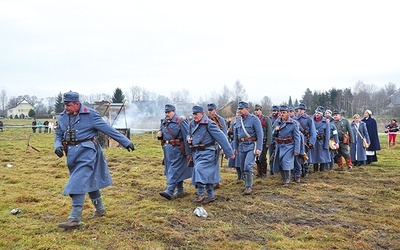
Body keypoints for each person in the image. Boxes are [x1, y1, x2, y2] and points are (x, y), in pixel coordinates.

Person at [54, 91, 135, 229]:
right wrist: (58, 146)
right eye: (65, 105)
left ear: (77, 104)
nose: (66, 108)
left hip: (88, 153)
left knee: (77, 182)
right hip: (72, 155)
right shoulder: (62, 117)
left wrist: (126, 141)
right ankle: (100, 210)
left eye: (68, 105)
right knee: (90, 180)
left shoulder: (90, 115)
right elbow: (58, 135)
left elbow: (108, 129)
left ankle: (74, 217)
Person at [188, 105, 234, 204]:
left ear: (202, 114)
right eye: (193, 114)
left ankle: (200, 194)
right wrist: (189, 139)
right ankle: (211, 196)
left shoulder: (209, 124)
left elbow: (221, 137)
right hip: (197, 152)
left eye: (196, 114)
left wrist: (229, 152)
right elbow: (189, 134)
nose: (195, 116)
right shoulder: (192, 124)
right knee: (208, 174)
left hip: (208, 152)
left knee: (199, 169)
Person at [158, 104, 193, 200]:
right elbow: (163, 133)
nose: (167, 114)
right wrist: (160, 135)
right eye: (166, 112)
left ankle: (170, 190)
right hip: (167, 149)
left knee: (174, 169)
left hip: (178, 149)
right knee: (173, 169)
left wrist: (188, 152)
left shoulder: (180, 122)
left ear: (174, 111)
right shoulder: (164, 122)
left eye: (169, 112)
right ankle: (180, 190)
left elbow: (187, 135)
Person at [233, 101, 263, 195]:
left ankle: (248, 187)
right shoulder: (238, 120)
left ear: (247, 109)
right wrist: (235, 148)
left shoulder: (254, 119)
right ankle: (246, 183)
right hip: (241, 146)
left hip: (251, 145)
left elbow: (260, 134)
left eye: (241, 109)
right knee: (242, 167)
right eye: (239, 109)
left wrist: (259, 148)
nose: (240, 111)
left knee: (247, 165)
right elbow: (235, 136)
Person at [271, 105, 301, 184]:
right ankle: (284, 178)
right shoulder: (277, 122)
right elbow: (273, 135)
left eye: (284, 112)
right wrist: (275, 130)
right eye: (281, 112)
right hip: (279, 145)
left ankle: (287, 179)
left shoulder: (293, 123)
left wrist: (297, 150)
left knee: (286, 162)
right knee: (280, 162)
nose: (282, 114)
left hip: (289, 146)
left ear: (288, 113)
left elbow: (297, 137)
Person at [207, 102, 227, 189]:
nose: (210, 112)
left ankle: (216, 181)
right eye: (209, 110)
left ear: (215, 110)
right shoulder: (206, 119)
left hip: (217, 144)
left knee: (215, 163)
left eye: (211, 110)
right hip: (208, 144)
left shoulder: (220, 120)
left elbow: (224, 133)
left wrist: (223, 147)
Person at [294, 103, 316, 177]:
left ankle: (305, 170)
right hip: (297, 140)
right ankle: (298, 171)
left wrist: (311, 142)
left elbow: (313, 131)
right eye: (299, 109)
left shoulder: (309, 119)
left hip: (306, 140)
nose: (300, 111)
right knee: (297, 156)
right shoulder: (294, 119)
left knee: (305, 156)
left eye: (302, 109)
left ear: (305, 110)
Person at [308, 106, 330, 172]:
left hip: (321, 141)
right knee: (314, 155)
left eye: (319, 113)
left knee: (322, 155)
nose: (317, 114)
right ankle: (315, 169)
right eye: (316, 113)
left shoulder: (325, 122)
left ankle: (322, 169)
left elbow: (327, 134)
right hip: (314, 141)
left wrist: (326, 144)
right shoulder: (311, 120)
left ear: (322, 114)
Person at [254, 104, 272, 178]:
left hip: (264, 142)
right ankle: (259, 173)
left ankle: (264, 173)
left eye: (257, 110)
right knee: (257, 158)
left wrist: (268, 142)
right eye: (255, 110)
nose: (256, 112)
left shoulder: (266, 119)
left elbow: (269, 131)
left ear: (261, 110)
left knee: (262, 157)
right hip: (256, 142)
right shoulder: (254, 119)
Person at [227, 110, 242, 180]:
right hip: (234, 143)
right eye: (237, 113)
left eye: (239, 113)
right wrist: (229, 132)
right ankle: (239, 176)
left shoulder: (243, 122)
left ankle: (243, 176)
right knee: (235, 161)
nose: (238, 114)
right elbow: (231, 134)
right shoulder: (233, 123)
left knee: (241, 161)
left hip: (242, 143)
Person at [268, 105, 280, 175]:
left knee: (278, 155)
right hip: (271, 140)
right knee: (271, 155)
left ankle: (278, 170)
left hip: (278, 140)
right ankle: (271, 170)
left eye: (275, 111)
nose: (274, 112)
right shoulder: (269, 120)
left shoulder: (280, 120)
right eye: (273, 111)